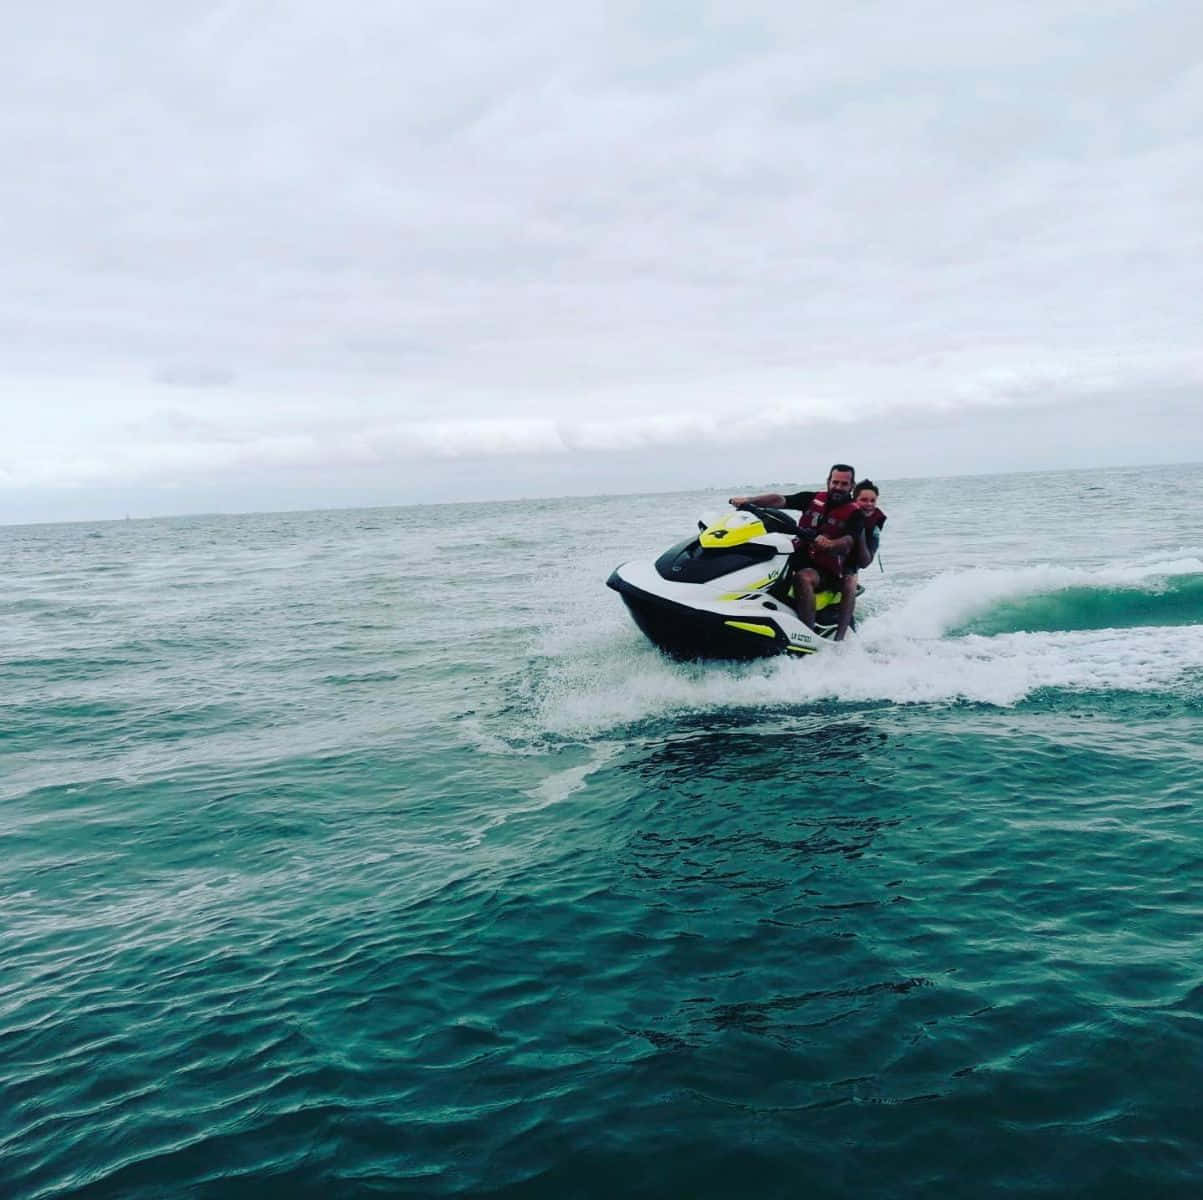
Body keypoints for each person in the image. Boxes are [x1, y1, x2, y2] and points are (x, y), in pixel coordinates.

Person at [729, 464, 864, 640]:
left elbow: (847, 543)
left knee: (804, 578)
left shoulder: (856, 514)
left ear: (852, 486)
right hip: (800, 554)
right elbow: (780, 500)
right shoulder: (813, 498)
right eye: (834, 482)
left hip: (827, 569)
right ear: (828, 481)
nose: (838, 487)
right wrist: (748, 501)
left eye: (843, 484)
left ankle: (805, 635)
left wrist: (830, 544)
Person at [851, 479, 886, 572]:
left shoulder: (875, 525)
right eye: (864, 500)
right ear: (854, 501)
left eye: (873, 500)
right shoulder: (844, 512)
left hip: (851, 566)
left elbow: (865, 563)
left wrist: (860, 529)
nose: (869, 504)